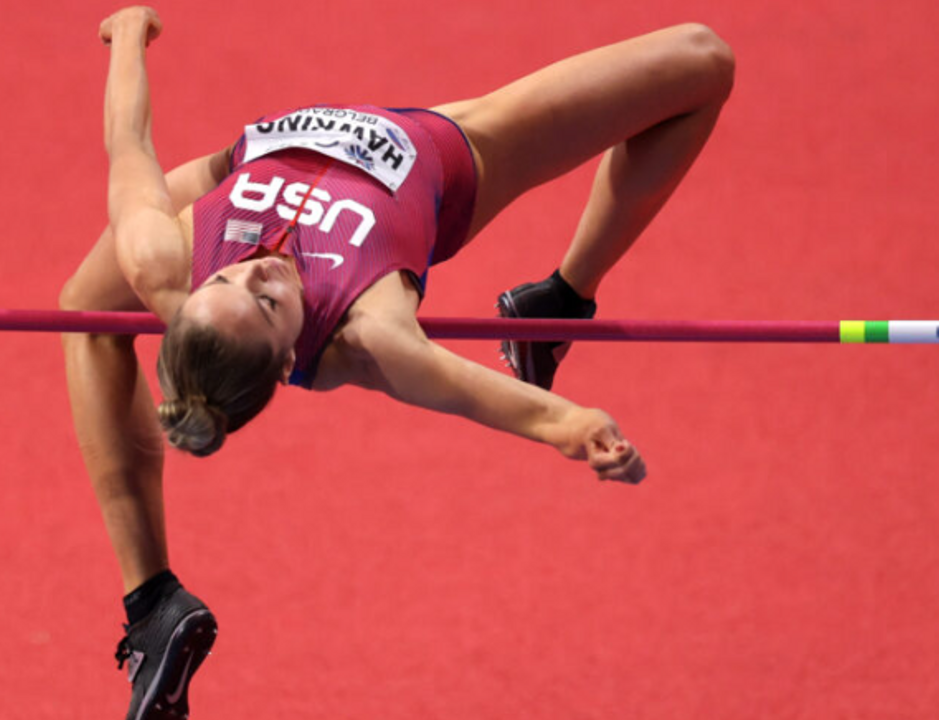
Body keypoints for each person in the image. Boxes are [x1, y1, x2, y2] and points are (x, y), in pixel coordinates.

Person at [60, 7, 733, 718]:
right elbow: (479, 395)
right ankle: (562, 302)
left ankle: (153, 604)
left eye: (229, 280)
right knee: (701, 62)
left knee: (85, 308)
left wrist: (127, 36)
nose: (262, 270)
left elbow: (129, 145)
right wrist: (577, 425)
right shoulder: (367, 330)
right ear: (291, 353)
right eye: (266, 304)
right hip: (437, 151)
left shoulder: (164, 261)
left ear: (194, 292)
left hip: (244, 163)